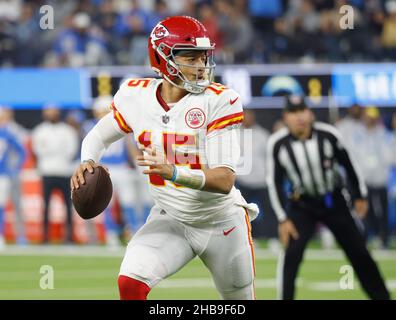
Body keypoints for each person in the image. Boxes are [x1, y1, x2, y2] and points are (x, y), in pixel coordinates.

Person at [70, 16, 258, 300]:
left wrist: (173, 172)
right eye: (191, 58)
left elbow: (224, 180)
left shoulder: (220, 100)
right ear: (163, 59)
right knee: (130, 283)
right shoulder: (137, 96)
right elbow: (97, 137)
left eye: (203, 57)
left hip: (221, 221)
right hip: (171, 218)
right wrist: (87, 161)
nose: (201, 67)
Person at [266, 95, 390, 300]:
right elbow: (275, 182)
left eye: (303, 111)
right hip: (302, 205)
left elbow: (350, 166)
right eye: (294, 112)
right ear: (286, 117)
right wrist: (283, 218)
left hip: (334, 202)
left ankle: (382, 297)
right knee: (291, 257)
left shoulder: (328, 135)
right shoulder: (278, 143)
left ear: (310, 113)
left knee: (360, 252)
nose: (300, 117)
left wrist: (360, 196)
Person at [32, 106, 79, 244]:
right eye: (49, 113)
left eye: (54, 112)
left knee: (68, 205)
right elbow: (38, 150)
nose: (52, 115)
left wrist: (51, 151)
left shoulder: (67, 131)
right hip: (47, 171)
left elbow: (71, 150)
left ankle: (69, 236)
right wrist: (56, 151)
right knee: (46, 205)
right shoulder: (39, 130)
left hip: (64, 172)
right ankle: (45, 236)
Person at [236, 109, 278, 241]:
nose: (247, 118)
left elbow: (270, 158)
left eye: (249, 115)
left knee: (269, 210)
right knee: (241, 213)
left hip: (262, 180)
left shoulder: (263, 135)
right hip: (242, 180)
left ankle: (272, 237)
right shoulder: (234, 134)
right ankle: (245, 238)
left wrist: (269, 176)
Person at [0, 113, 26, 249]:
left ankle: (17, 236)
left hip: (4, 174)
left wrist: (15, 167)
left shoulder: (7, 133)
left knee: (5, 205)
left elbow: (22, 151)